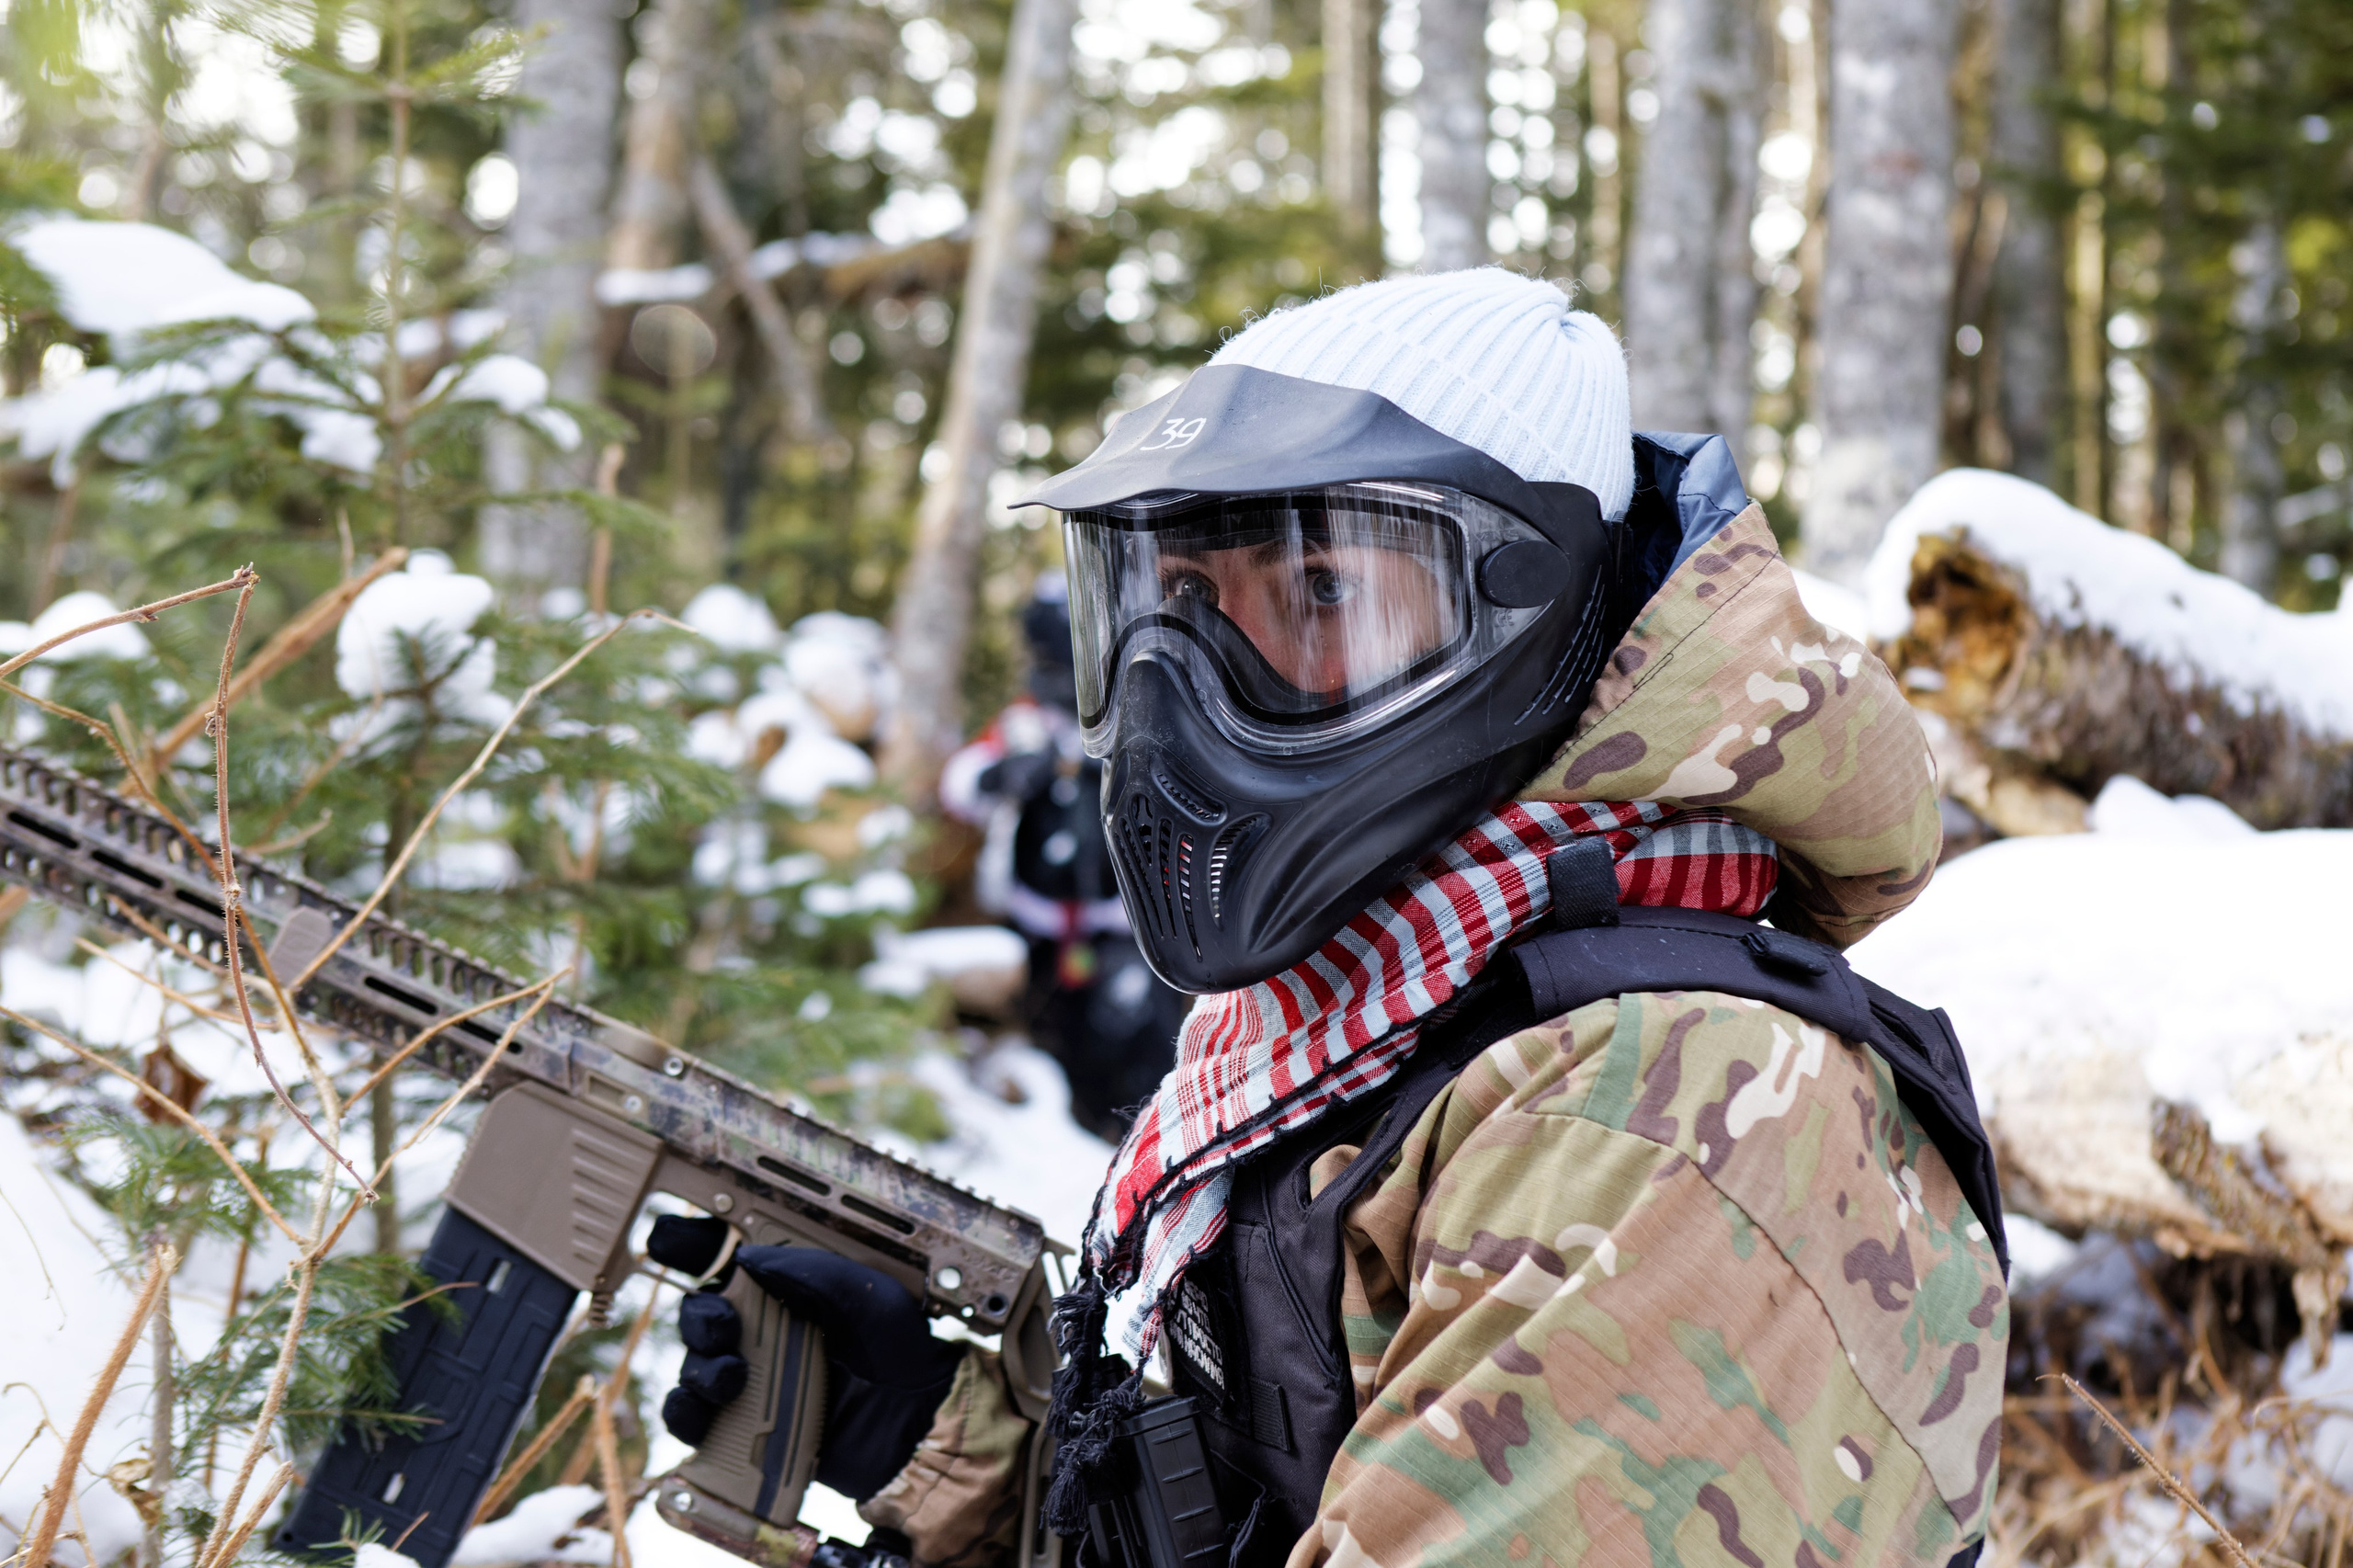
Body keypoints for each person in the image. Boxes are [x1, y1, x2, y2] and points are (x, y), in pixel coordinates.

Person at [655, 270, 2008, 1568]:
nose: (1185, 696)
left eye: (1317, 593)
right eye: (1178, 601)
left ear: (1527, 621)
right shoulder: (1374, 1019)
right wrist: (958, 1453)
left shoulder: (1661, 1114)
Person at [939, 574, 1188, 1141]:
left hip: (1127, 925)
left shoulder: (1148, 715)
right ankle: (1056, 1130)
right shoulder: (1025, 721)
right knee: (1050, 1029)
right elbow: (960, 786)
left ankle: (1126, 1135)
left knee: (1131, 1034)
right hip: (1037, 919)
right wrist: (999, 776)